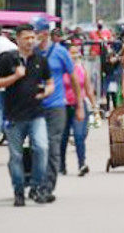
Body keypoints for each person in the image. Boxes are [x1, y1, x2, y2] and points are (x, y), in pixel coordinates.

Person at [0, 24, 54, 206]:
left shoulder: (40, 60)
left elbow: (50, 83)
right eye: (26, 38)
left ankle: (35, 186)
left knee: (41, 148)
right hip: (14, 115)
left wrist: (46, 92)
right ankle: (18, 190)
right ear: (18, 39)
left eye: (32, 37)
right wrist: (15, 77)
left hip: (36, 113)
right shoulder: (7, 59)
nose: (30, 41)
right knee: (16, 156)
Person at [33, 17, 84, 199]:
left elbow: (74, 79)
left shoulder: (60, 52)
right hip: (34, 106)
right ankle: (35, 183)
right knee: (37, 146)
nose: (32, 37)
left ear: (44, 33)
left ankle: (47, 188)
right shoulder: (30, 53)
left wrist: (79, 106)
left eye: (35, 33)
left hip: (55, 106)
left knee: (52, 145)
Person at [60, 42, 97, 177]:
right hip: (63, 107)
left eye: (77, 52)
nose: (75, 55)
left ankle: (82, 164)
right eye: (72, 52)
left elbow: (88, 88)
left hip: (79, 106)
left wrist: (94, 106)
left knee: (79, 135)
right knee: (63, 137)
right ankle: (61, 166)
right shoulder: (60, 69)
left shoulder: (81, 68)